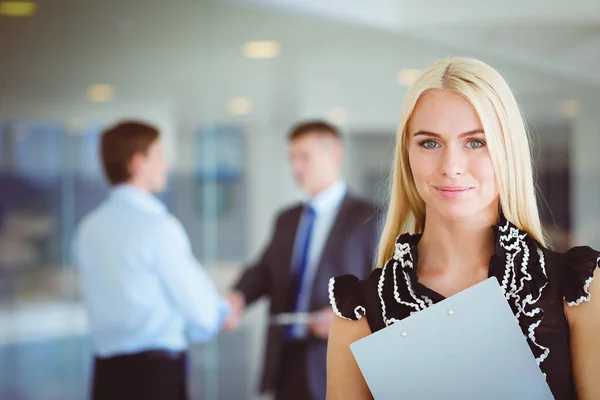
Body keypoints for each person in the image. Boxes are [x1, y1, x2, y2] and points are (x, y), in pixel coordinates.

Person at [327, 57, 600, 400]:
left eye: (475, 142)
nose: (451, 166)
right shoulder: (360, 311)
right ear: (406, 155)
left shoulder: (578, 290)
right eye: (429, 143)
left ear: (507, 151)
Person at [73, 121, 231, 400]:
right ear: (137, 163)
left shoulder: (88, 228)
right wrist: (222, 312)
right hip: (155, 376)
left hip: (105, 375)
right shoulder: (157, 227)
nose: (165, 165)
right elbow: (201, 312)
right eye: (159, 156)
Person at [226, 120, 380, 400]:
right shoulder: (287, 219)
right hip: (287, 359)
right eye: (292, 158)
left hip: (336, 358)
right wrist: (238, 296)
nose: (296, 167)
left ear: (335, 155)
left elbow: (382, 286)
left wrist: (345, 318)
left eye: (304, 157)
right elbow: (265, 270)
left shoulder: (369, 217)